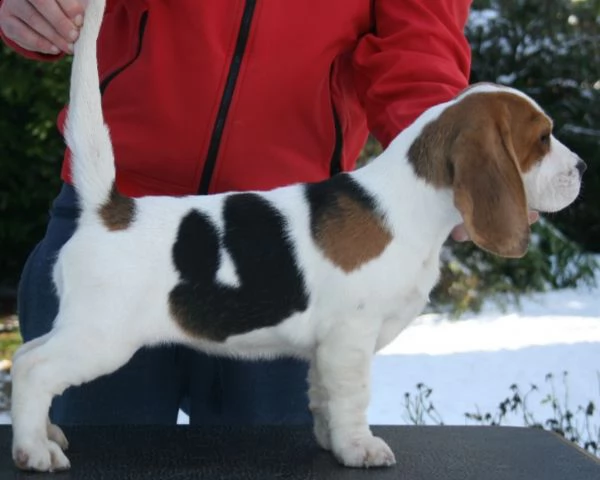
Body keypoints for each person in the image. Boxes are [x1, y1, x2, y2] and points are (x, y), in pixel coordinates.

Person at [0, 0, 475, 425]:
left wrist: (450, 154)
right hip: (119, 214)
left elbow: (420, 45)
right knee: (94, 456)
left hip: (295, 242)